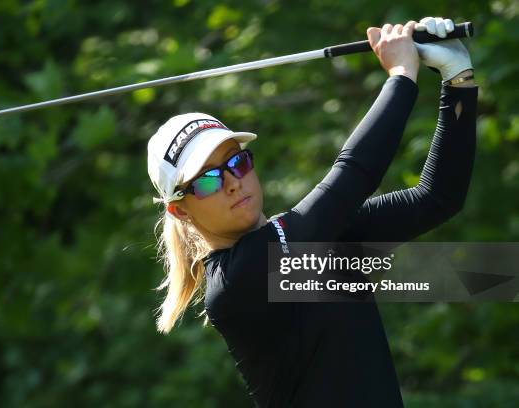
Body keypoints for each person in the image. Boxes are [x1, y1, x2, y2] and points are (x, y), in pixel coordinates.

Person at [146, 16, 478, 407]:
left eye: (237, 163)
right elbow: (352, 175)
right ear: (180, 211)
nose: (232, 182)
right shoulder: (236, 282)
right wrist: (402, 75)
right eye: (206, 180)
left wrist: (457, 81)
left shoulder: (318, 239)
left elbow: (437, 198)